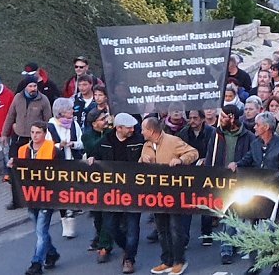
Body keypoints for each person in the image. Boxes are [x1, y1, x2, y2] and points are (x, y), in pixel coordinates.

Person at [229, 112, 279, 275]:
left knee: (275, 231)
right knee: (251, 230)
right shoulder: (255, 143)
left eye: (257, 125)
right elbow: (248, 159)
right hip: (256, 192)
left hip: (276, 194)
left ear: (266, 127)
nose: (254, 127)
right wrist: (236, 164)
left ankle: (276, 265)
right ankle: (255, 265)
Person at [140, 117, 199, 275]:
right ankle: (167, 261)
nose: (141, 132)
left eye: (143, 129)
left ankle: (179, 261)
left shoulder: (173, 141)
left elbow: (193, 153)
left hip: (173, 194)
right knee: (161, 229)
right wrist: (143, 159)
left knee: (175, 228)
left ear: (151, 131)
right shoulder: (146, 145)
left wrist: (181, 160)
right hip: (156, 194)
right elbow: (141, 167)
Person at [91, 113, 145, 274]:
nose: (132, 130)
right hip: (111, 192)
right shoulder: (105, 142)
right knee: (110, 226)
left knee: (132, 227)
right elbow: (94, 154)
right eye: (128, 128)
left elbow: (148, 153)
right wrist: (91, 158)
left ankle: (129, 259)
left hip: (133, 191)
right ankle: (126, 247)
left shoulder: (138, 141)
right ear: (118, 128)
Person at [10, 121, 62, 275]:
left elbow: (62, 171)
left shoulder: (53, 149)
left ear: (45, 133)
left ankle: (36, 263)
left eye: (38, 132)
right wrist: (12, 165)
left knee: (40, 230)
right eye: (32, 132)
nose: (34, 135)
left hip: (47, 196)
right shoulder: (23, 150)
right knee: (40, 230)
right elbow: (19, 170)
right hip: (30, 196)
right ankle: (51, 253)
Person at [204, 105, 252, 265]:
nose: (220, 120)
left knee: (239, 214)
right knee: (227, 214)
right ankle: (226, 248)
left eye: (224, 117)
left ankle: (235, 244)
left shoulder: (248, 136)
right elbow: (210, 156)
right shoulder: (217, 135)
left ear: (232, 118)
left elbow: (251, 157)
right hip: (221, 180)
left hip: (241, 180)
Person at [1, 74, 51, 210]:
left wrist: (46, 137)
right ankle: (16, 200)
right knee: (14, 169)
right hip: (18, 138)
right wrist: (4, 134)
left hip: (34, 140)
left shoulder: (43, 100)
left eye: (35, 86)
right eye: (30, 86)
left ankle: (39, 198)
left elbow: (48, 121)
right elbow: (10, 116)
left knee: (34, 171)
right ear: (25, 87)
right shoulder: (18, 98)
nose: (33, 88)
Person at [45, 98, 83, 239]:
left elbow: (81, 141)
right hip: (58, 165)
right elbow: (47, 145)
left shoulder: (74, 124)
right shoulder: (50, 126)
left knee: (71, 193)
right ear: (61, 112)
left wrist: (73, 144)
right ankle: (65, 223)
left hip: (73, 163)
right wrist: (58, 146)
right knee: (61, 195)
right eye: (69, 110)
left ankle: (71, 218)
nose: (72, 111)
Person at [177, 110, 215, 246]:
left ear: (202, 119)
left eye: (195, 118)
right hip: (189, 172)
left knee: (207, 203)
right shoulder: (183, 133)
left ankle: (207, 234)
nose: (192, 121)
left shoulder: (212, 132)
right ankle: (184, 239)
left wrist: (206, 160)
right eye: (190, 118)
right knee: (187, 205)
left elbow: (215, 150)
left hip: (206, 172)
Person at [81, 110, 114, 257]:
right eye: (102, 119)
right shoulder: (87, 136)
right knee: (98, 215)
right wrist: (108, 134)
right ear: (94, 124)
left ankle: (105, 246)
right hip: (94, 179)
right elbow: (94, 148)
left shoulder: (110, 132)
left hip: (110, 177)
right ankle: (101, 238)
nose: (106, 120)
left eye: (106, 117)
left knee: (108, 212)